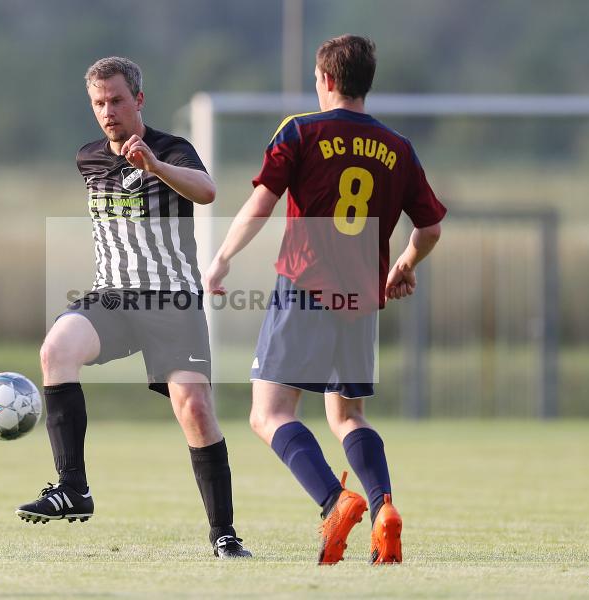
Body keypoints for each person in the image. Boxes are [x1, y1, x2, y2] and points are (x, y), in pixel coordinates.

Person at [204, 35, 445, 565]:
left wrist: (222, 257)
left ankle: (335, 503)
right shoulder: (398, 147)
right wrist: (403, 265)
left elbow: (260, 203)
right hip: (361, 296)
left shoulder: (301, 131)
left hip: (304, 286)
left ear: (327, 80)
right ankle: (384, 510)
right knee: (349, 415)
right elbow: (428, 228)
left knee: (268, 413)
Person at [16, 56, 251, 559]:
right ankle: (73, 489)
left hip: (171, 300)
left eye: (117, 100)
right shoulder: (89, 158)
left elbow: (208, 193)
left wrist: (156, 168)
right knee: (56, 350)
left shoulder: (173, 149)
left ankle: (224, 534)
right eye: (99, 103)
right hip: (114, 297)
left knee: (195, 411)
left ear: (138, 100)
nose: (108, 111)